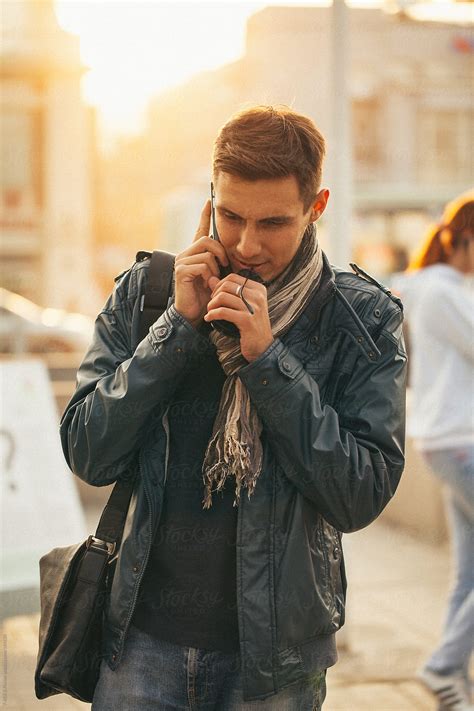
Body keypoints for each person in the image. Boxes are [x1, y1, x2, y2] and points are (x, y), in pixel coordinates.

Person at [60, 105, 407, 710]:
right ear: (210, 197)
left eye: (272, 222)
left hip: (275, 667)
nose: (246, 245)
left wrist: (269, 362)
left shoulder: (361, 320)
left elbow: (361, 493)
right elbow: (89, 451)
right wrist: (175, 328)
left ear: (316, 207)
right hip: (139, 649)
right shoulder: (147, 295)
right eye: (230, 216)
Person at [393, 192, 474, 711]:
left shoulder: (440, 290)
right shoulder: (443, 293)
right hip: (460, 441)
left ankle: (450, 676)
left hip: (448, 439)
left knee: (468, 570)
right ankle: (443, 665)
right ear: (464, 241)